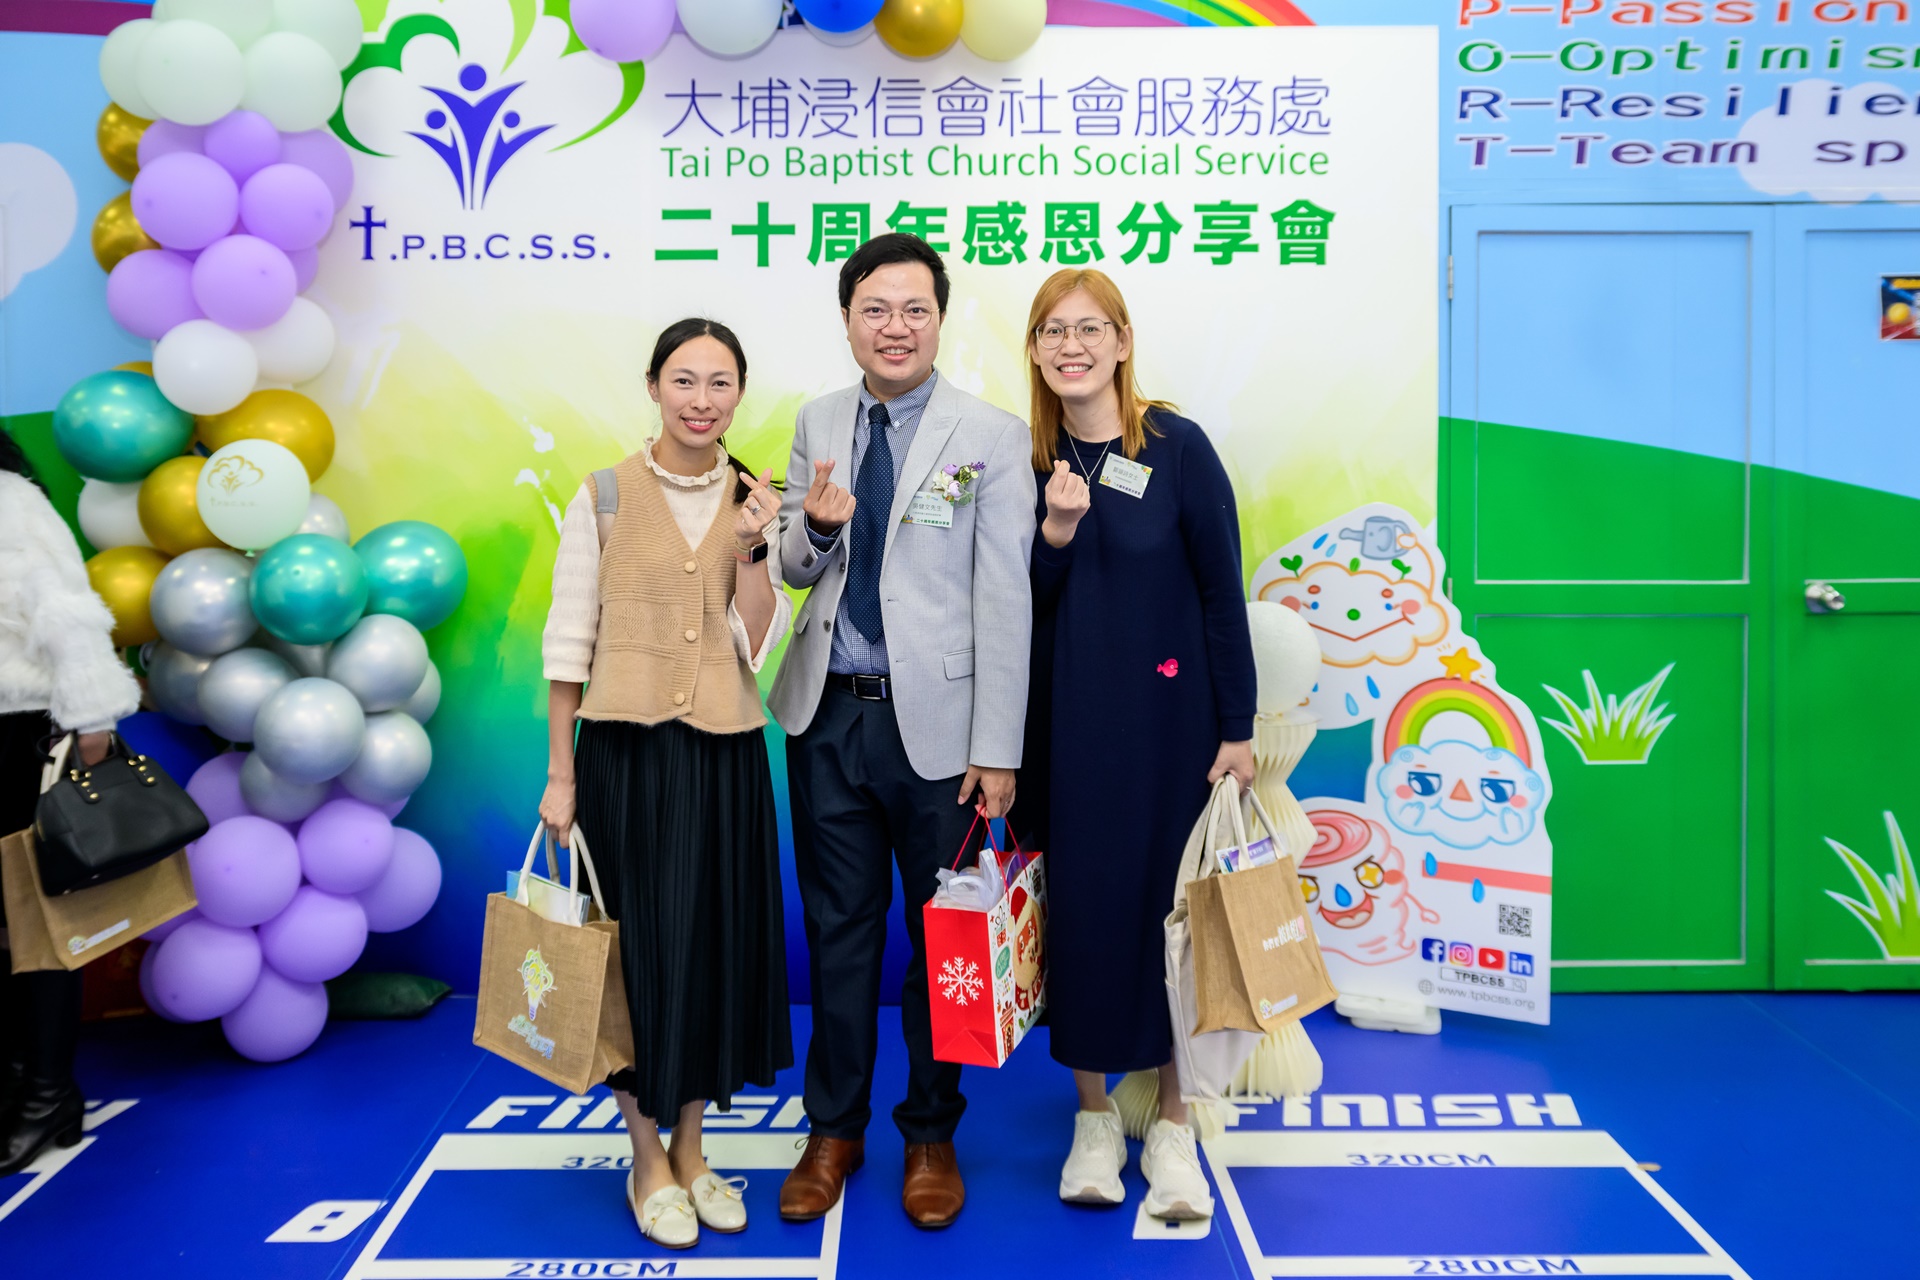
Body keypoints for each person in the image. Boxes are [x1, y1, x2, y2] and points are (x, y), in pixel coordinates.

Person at [768, 234, 1037, 1230]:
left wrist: (998, 747)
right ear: (848, 319)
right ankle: (832, 1132)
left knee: (940, 938)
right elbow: (792, 565)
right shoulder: (817, 420)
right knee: (837, 932)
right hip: (827, 713)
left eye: (914, 309)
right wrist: (816, 528)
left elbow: (1004, 598)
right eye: (875, 309)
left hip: (944, 733)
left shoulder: (989, 434)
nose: (895, 327)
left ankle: (930, 1133)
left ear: (940, 319)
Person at [538, 319, 793, 1250]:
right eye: (684, 380)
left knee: (710, 951)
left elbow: (757, 643)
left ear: (739, 394)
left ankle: (693, 1149)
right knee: (635, 957)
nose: (702, 399)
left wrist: (755, 548)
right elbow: (568, 645)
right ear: (653, 386)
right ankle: (645, 1156)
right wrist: (561, 775)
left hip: (724, 756)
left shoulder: (755, 499)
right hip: (625, 760)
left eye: (720, 383)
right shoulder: (604, 494)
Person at [1010, 268, 1256, 1222]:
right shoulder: (1026, 457)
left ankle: (1176, 1124)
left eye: (1090, 329)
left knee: (1170, 919)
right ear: (1035, 351)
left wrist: (1237, 728)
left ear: (1121, 341)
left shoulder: (1178, 448)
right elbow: (1015, 606)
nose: (1071, 346)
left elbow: (1221, 593)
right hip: (1065, 732)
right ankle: (1094, 1117)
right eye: (1052, 331)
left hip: (1171, 732)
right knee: (1081, 917)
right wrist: (1057, 532)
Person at [0, 429, 139, 1176]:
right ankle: (22, 1081)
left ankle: (48, 1094)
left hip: (16, 734)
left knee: (38, 921)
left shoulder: (12, 503)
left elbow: (69, 615)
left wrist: (92, 722)